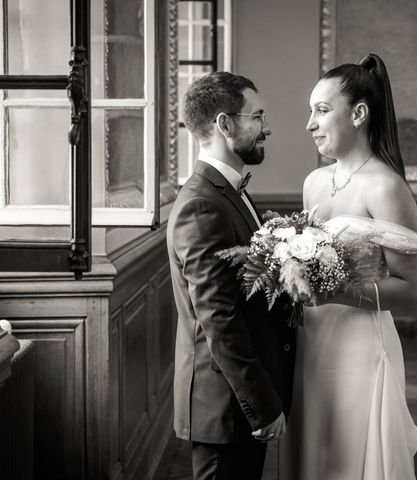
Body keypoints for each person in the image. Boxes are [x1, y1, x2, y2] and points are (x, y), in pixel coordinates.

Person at [279, 53, 417, 479]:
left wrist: (340, 293)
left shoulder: (386, 186)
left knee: (350, 454)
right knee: (314, 451)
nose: (310, 123)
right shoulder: (314, 182)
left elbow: (414, 288)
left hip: (360, 349)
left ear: (359, 113)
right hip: (309, 343)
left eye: (322, 111)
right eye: (311, 111)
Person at [167, 71, 296, 480]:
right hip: (226, 407)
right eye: (256, 116)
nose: (267, 127)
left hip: (234, 403)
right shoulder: (201, 205)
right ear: (226, 124)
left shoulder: (226, 191)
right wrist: (261, 403)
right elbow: (218, 319)